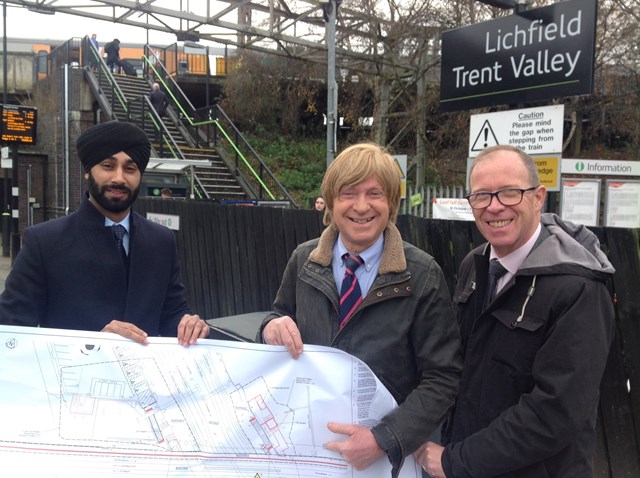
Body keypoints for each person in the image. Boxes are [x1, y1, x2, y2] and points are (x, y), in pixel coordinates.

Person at [257, 143, 462, 477]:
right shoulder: (304, 261)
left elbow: (443, 378)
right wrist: (271, 328)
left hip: (384, 461)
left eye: (375, 194)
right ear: (331, 202)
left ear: (392, 202)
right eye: (349, 193)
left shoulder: (422, 275)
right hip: (307, 449)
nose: (362, 206)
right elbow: (276, 317)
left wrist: (384, 439)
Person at [415, 145, 615, 478]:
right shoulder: (474, 266)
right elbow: (457, 368)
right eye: (481, 196)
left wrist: (455, 462)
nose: (494, 207)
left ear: (538, 197)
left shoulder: (579, 288)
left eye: (509, 193)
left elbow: (555, 413)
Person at [0, 121, 210, 347]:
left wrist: (188, 324)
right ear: (87, 173)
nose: (119, 178)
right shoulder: (44, 242)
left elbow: (172, 312)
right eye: (108, 166)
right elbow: (10, 333)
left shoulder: (161, 240)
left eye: (130, 169)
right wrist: (93, 343)